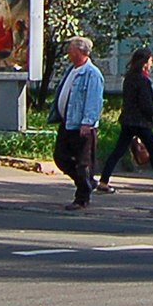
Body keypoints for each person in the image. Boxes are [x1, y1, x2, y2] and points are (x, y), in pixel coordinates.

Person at [100, 48, 153, 192]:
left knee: (118, 151)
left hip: (128, 120)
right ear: (144, 63)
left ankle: (103, 181)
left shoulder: (129, 78)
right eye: (150, 60)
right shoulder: (143, 80)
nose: (152, 63)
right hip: (141, 122)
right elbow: (145, 105)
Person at [52, 36, 103, 209]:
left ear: (80, 51)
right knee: (61, 157)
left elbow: (94, 100)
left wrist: (87, 122)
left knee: (83, 163)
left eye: (71, 49)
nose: (68, 52)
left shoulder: (92, 74)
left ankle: (82, 198)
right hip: (68, 122)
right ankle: (87, 183)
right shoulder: (72, 70)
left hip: (82, 126)